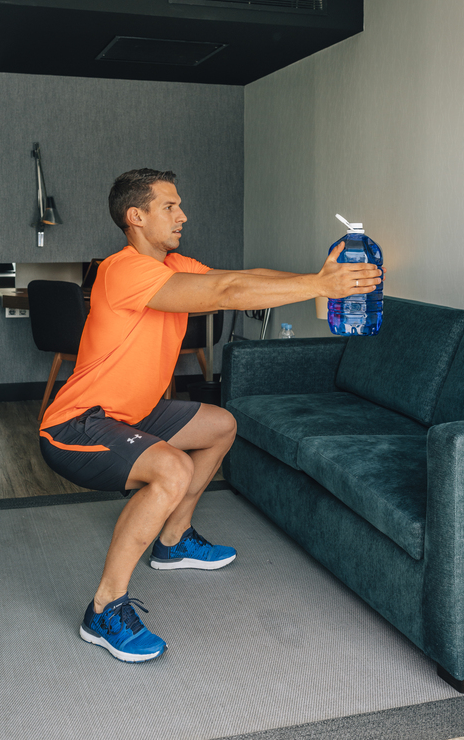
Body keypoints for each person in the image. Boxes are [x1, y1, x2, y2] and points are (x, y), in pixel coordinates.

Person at [39, 168, 382, 663]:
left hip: (134, 414)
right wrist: (316, 284)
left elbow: (238, 279)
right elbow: (225, 295)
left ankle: (173, 540)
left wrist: (318, 283)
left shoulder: (173, 265)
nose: (184, 215)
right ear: (135, 217)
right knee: (172, 467)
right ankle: (104, 608)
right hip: (77, 423)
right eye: (170, 207)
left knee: (221, 425)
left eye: (180, 206)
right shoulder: (124, 270)